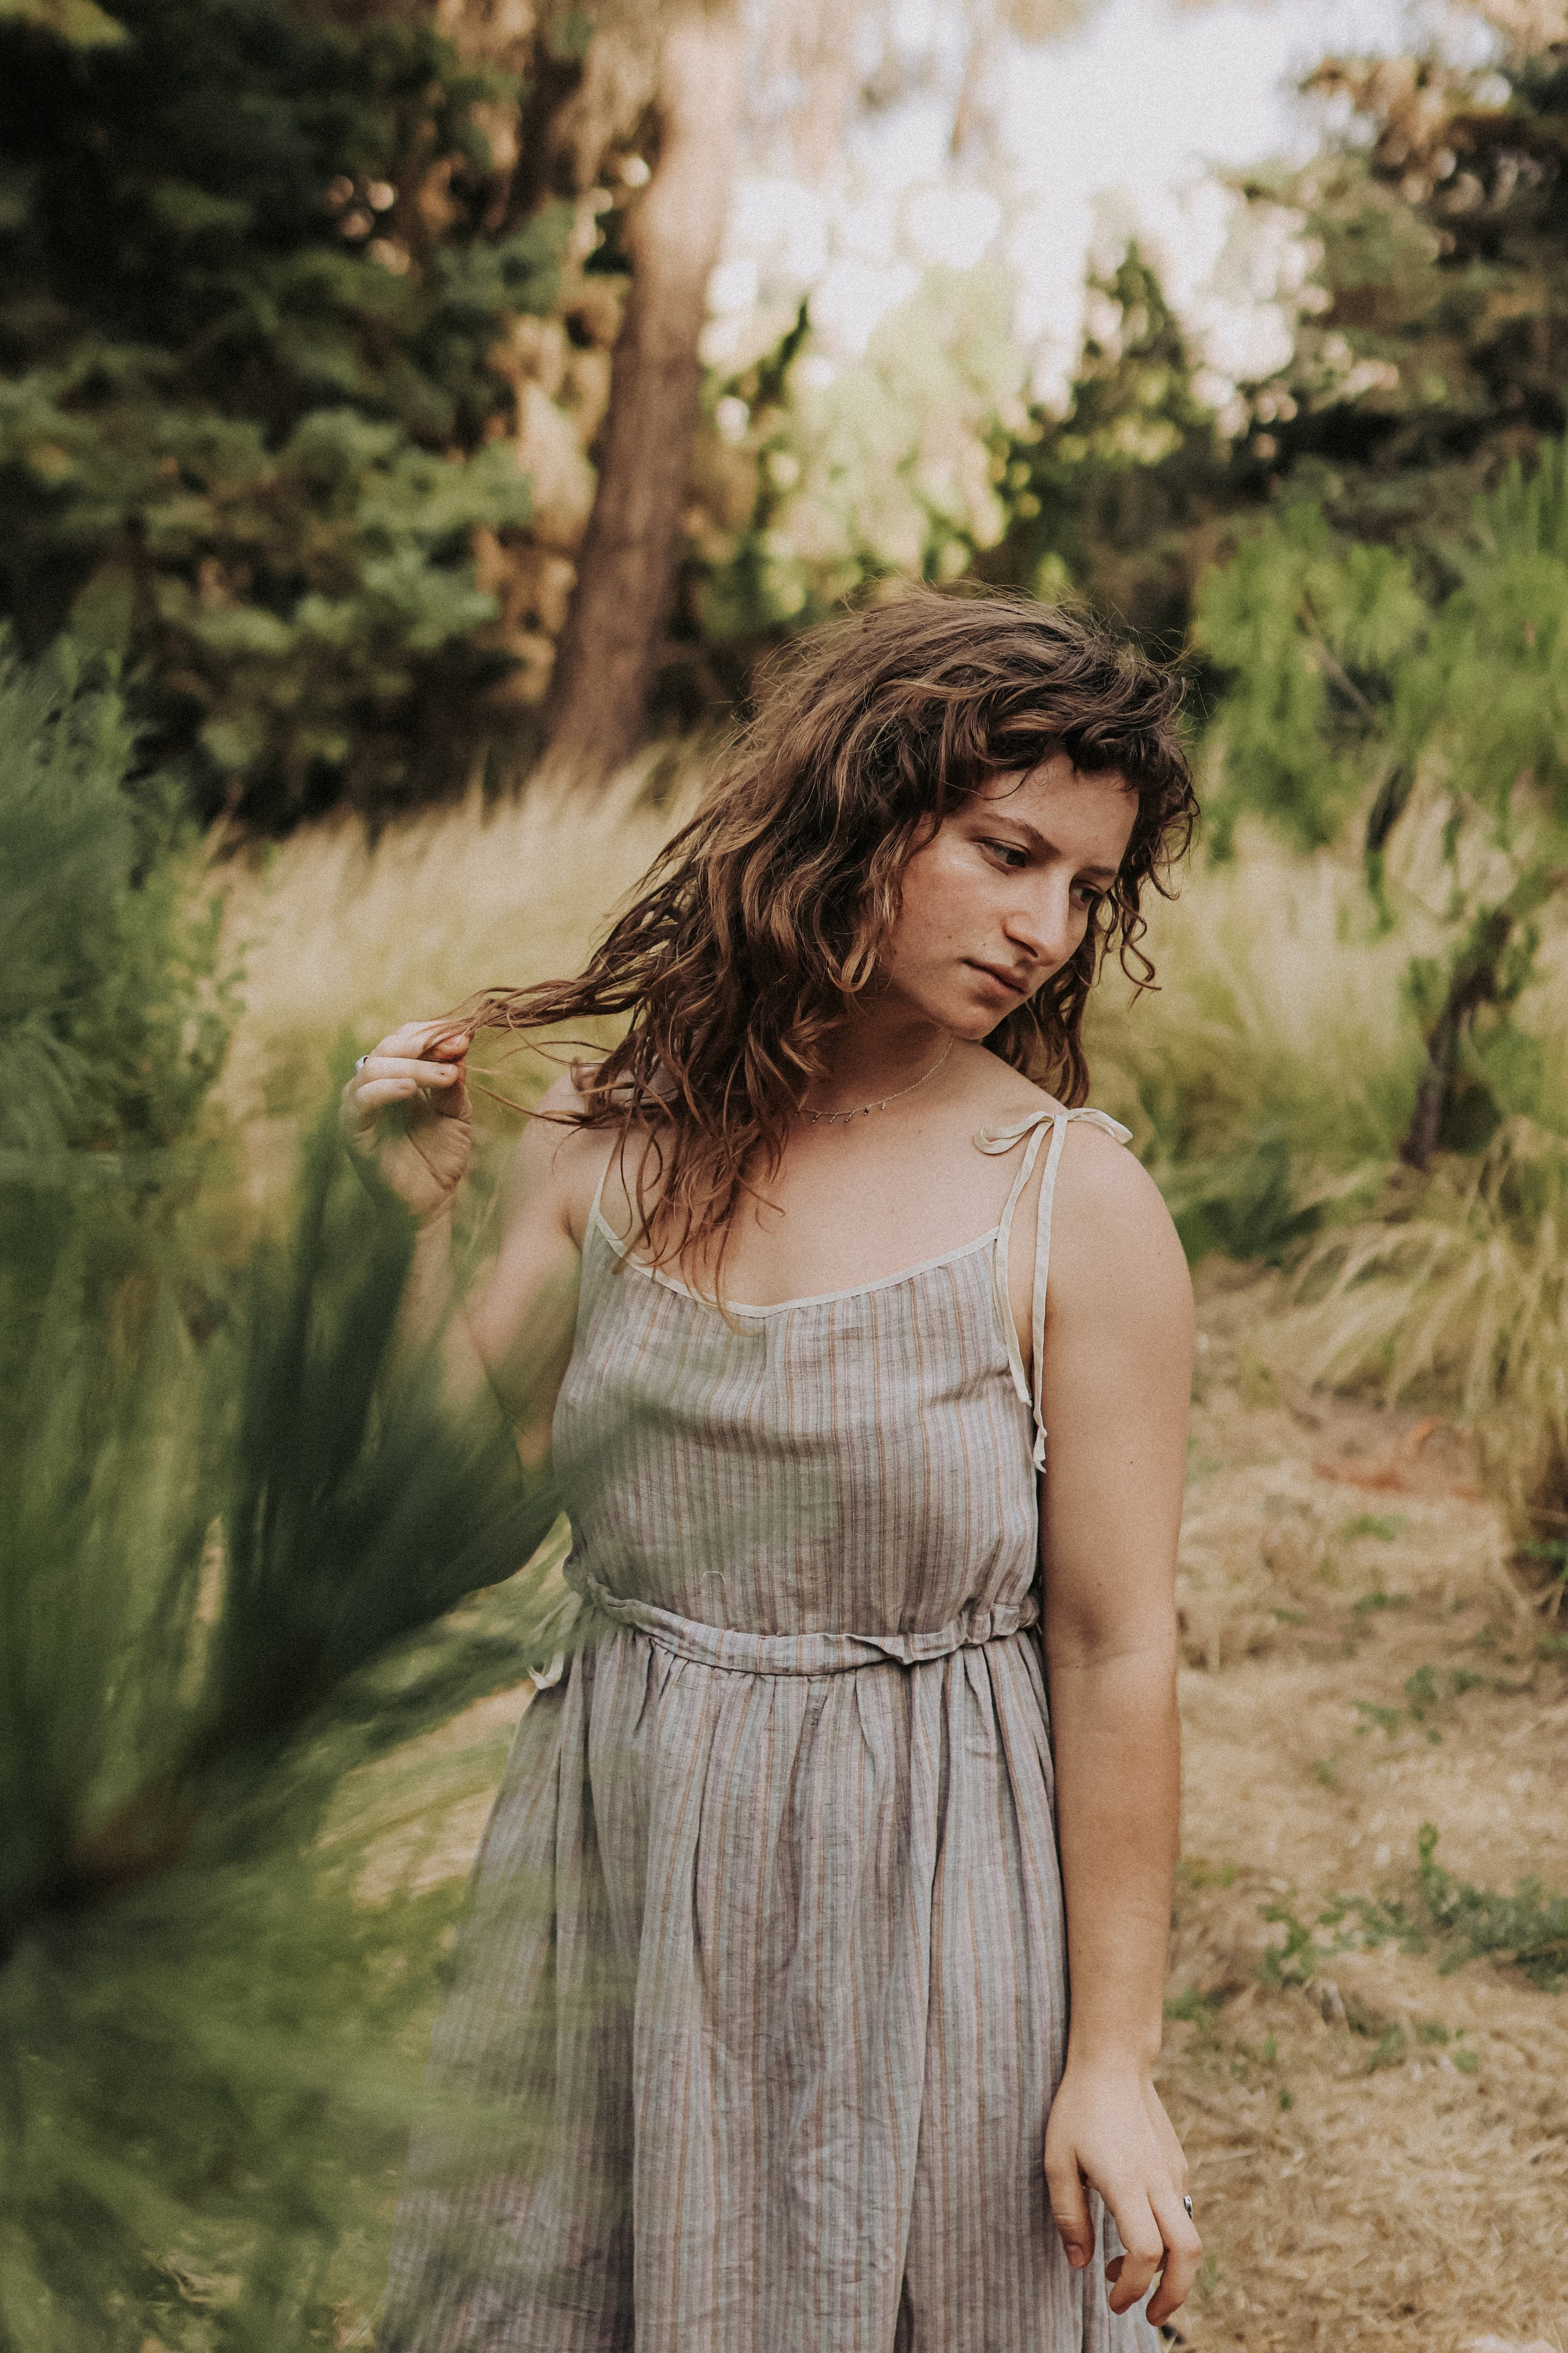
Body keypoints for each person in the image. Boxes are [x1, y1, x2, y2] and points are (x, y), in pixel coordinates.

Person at [352, 588, 1201, 2353]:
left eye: (1086, 890)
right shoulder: (602, 1143)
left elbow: (1118, 1647)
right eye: (1007, 851)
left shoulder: (1071, 1202)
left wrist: (1111, 2061)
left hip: (936, 1902)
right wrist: (408, 1223)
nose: (1046, 926)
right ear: (861, 803)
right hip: (624, 1872)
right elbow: (434, 1514)